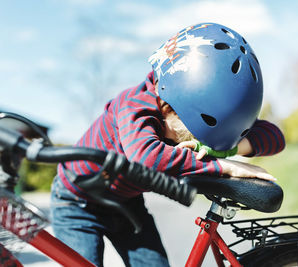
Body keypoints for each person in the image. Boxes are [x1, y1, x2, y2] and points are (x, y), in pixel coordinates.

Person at [50, 22, 285, 267]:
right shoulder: (134, 105)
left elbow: (275, 137)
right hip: (77, 202)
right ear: (168, 104)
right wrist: (224, 165)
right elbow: (146, 157)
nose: (192, 147)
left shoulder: (200, 107)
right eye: (188, 137)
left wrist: (229, 148)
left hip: (125, 204)